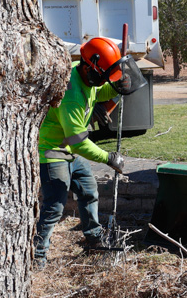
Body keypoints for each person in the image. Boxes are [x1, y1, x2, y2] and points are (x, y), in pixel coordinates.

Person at [34, 36, 131, 269]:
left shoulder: (86, 76)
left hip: (68, 148)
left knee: (88, 190)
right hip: (53, 151)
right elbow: (78, 142)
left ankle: (93, 238)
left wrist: (118, 85)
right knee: (54, 206)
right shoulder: (71, 96)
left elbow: (99, 91)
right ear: (90, 67)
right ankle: (37, 256)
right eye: (104, 76)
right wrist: (108, 158)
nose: (103, 80)